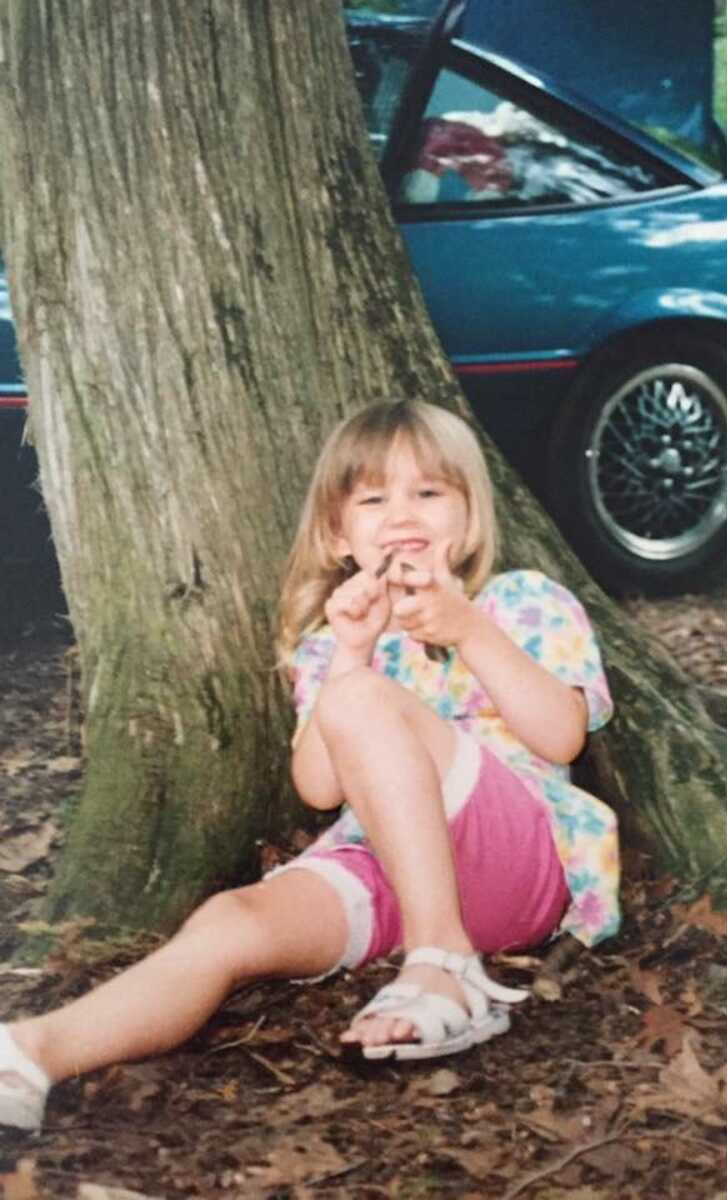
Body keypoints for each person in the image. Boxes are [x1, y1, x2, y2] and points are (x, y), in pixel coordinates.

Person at [0, 399, 619, 1133]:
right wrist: (353, 654)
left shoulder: (522, 602)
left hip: (518, 860)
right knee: (230, 922)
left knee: (361, 702)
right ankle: (30, 1054)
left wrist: (469, 631)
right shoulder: (336, 641)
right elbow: (319, 787)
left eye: (429, 492)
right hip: (386, 866)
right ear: (338, 534)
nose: (402, 514)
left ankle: (443, 965)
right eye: (374, 498)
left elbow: (562, 737)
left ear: (470, 516)